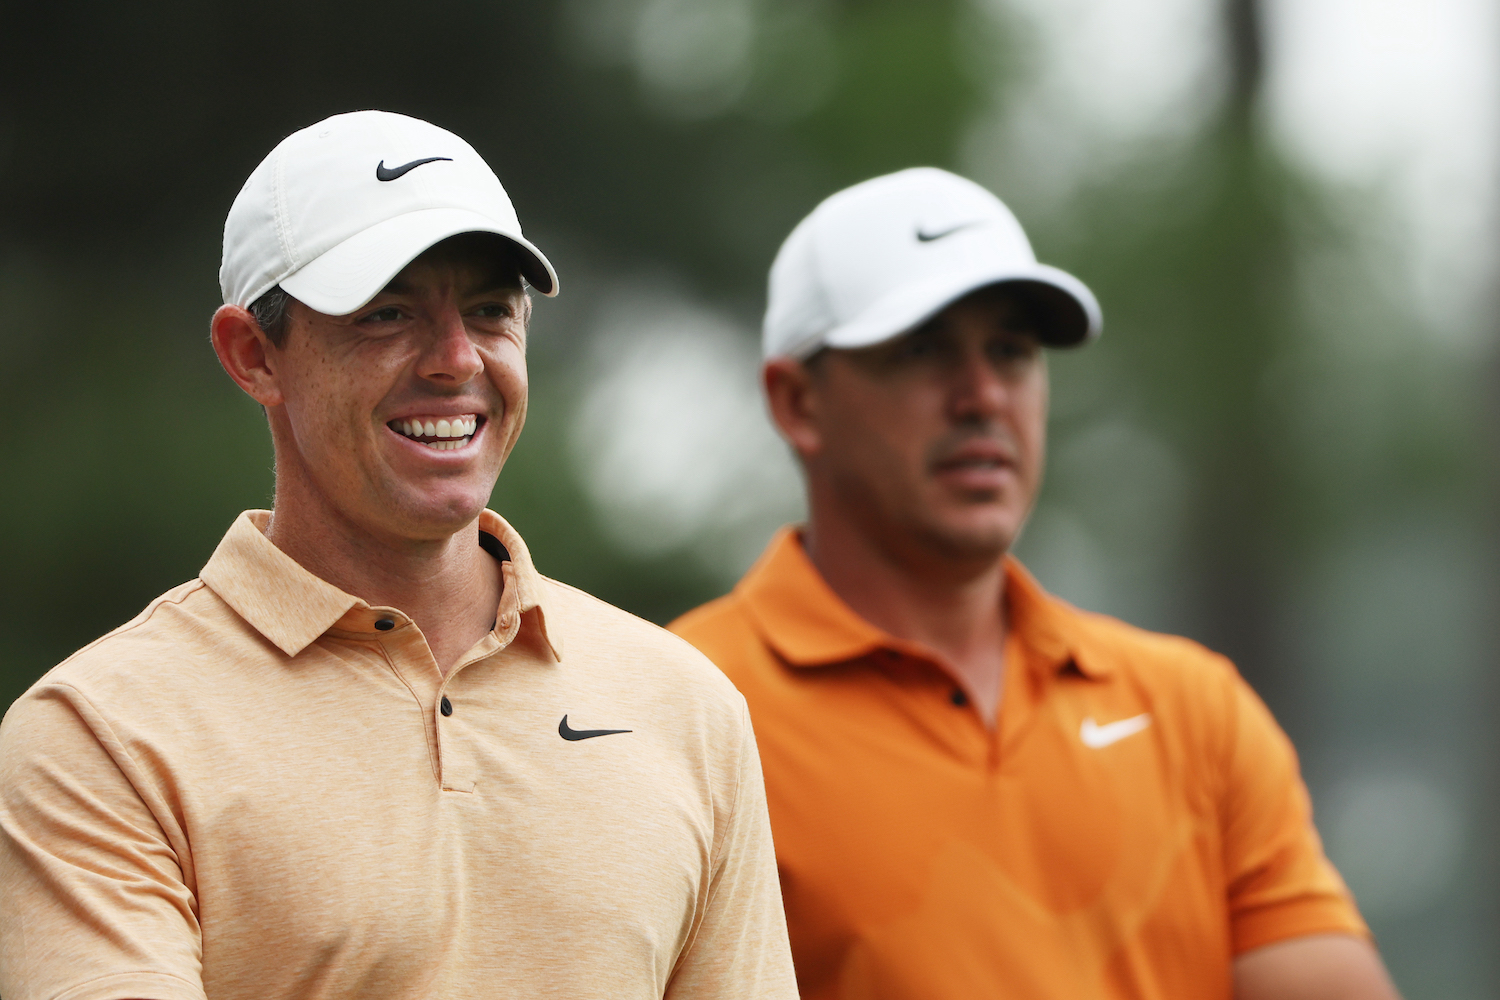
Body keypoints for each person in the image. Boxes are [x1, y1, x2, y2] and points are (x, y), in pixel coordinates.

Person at [0, 111, 796, 1000]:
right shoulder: (100, 736)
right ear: (253, 354)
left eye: (492, 311)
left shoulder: (686, 709)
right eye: (387, 314)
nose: (457, 360)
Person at [669, 167, 1400, 1000]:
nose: (982, 396)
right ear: (799, 403)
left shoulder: (1195, 711)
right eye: (923, 349)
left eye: (1011, 351)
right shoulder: (677, 711)